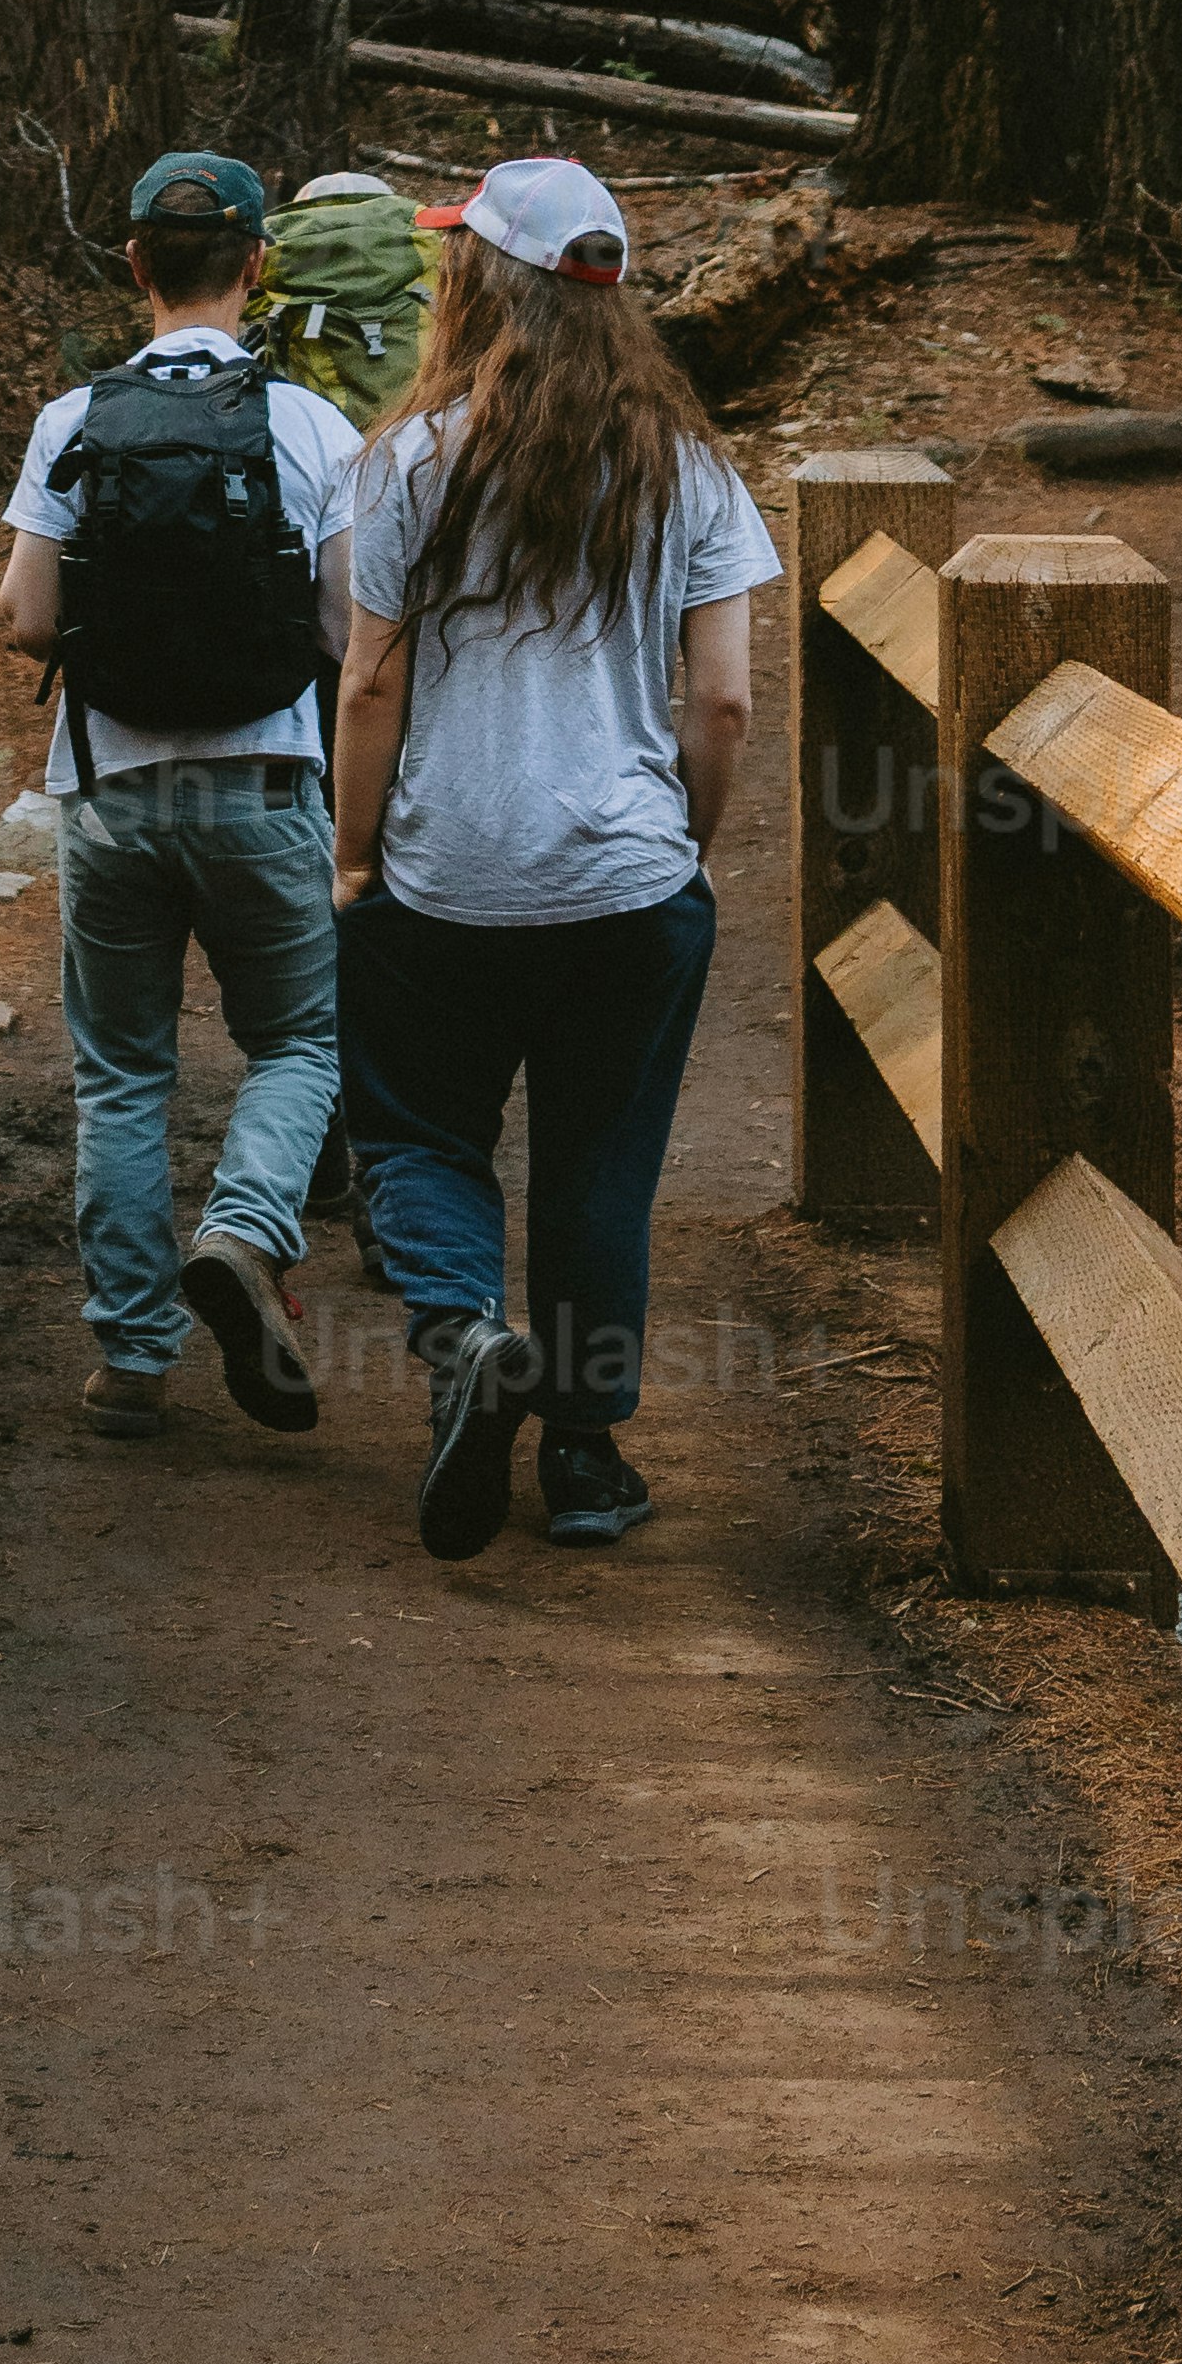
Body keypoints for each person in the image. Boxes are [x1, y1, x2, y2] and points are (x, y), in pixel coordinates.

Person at [329, 151, 773, 1562]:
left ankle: (464, 1337)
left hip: (443, 875)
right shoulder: (689, 471)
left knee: (415, 1127)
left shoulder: (405, 461)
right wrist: (681, 847)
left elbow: (370, 688)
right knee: (600, 1161)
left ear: (482, 279)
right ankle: (584, 1460)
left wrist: (353, 859)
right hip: (628, 883)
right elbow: (724, 701)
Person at [0, 143, 366, 1446]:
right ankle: (249, 1229)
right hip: (266, 786)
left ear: (136, 265)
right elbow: (347, 631)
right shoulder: (315, 427)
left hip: (108, 796)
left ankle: (134, 1360)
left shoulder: (72, 422)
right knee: (302, 1042)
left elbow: (27, 621)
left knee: (120, 1075)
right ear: (256, 266)